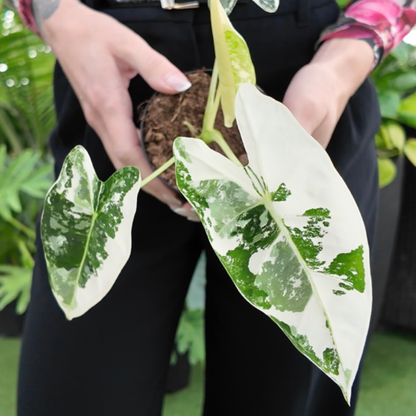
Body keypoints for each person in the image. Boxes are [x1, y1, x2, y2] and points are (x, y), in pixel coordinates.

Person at [11, 0, 416, 415]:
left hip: (302, 74)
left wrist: (343, 60)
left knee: (287, 396)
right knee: (76, 391)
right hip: (116, 61)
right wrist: (57, 16)